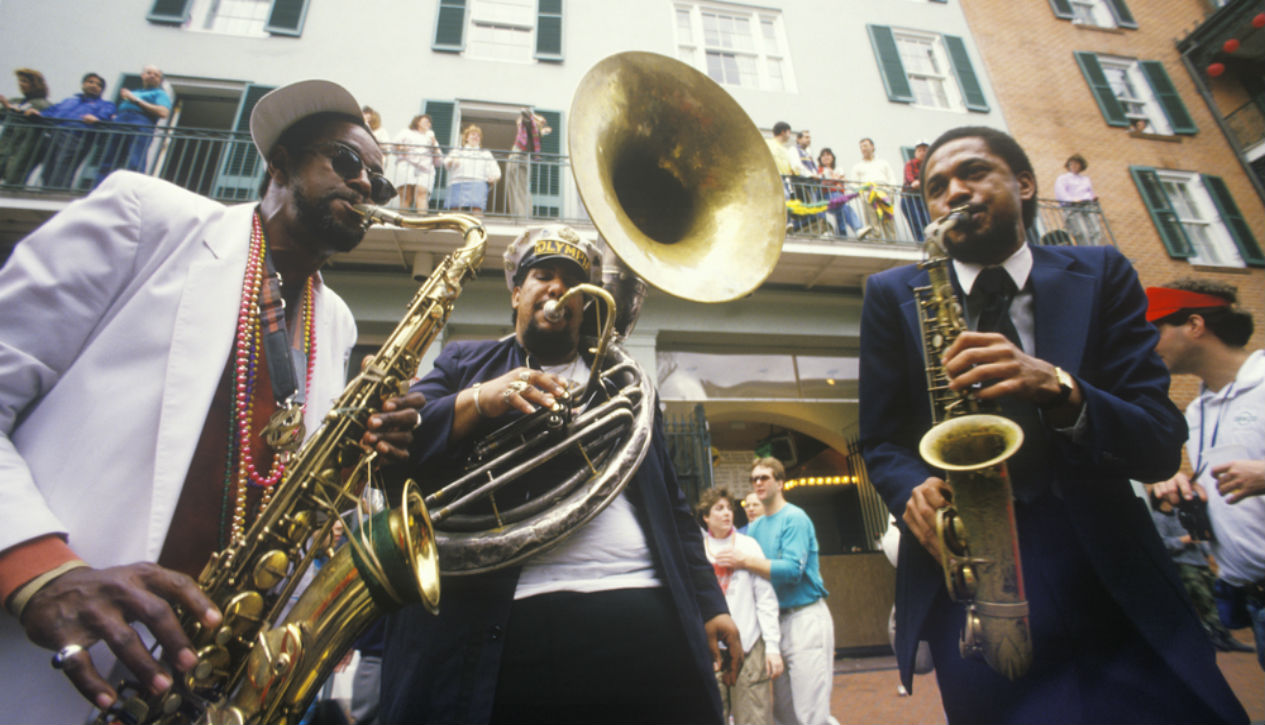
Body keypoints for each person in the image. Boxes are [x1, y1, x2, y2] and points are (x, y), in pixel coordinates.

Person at [0, 79, 424, 725]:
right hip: (51, 651)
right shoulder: (146, 215)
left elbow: (282, 480)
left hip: (202, 677)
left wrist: (355, 457)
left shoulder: (335, 320)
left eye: (380, 181)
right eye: (345, 161)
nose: (366, 184)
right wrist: (35, 570)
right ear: (279, 162)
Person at [858, 125, 1246, 723]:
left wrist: (1060, 387)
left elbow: (1159, 443)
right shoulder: (890, 294)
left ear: (1025, 183)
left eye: (972, 173)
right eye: (935, 188)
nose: (953, 193)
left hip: (1110, 577)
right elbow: (882, 438)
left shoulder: (1104, 271)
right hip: (973, 584)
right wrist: (912, 488)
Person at [378, 225, 741, 724]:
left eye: (572, 281)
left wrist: (710, 603)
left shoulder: (623, 383)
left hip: (642, 602)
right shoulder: (466, 361)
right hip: (515, 613)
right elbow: (402, 446)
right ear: (516, 293)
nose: (558, 288)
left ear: (585, 304)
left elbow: (673, 505)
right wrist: (482, 399)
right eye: (543, 275)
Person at [1149, 279, 1265, 669]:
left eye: (1154, 331)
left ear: (1194, 325)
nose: (1146, 346)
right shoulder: (1198, 409)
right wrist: (1191, 491)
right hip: (1252, 597)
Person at [720, 457, 833, 725]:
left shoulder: (795, 518)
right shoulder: (756, 527)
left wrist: (746, 561)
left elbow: (793, 570)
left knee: (811, 712)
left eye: (764, 478)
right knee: (784, 711)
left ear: (780, 482)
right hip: (774, 623)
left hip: (804, 617)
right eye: (754, 479)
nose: (758, 483)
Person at [698, 487, 783, 725]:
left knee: (754, 717)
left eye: (729, 508)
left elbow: (765, 598)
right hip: (712, 650)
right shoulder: (698, 551)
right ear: (706, 516)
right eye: (719, 508)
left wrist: (772, 647)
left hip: (748, 645)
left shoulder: (748, 546)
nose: (727, 513)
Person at [1147, 490, 1250, 653]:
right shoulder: (1158, 518)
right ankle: (1217, 637)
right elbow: (1162, 545)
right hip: (1184, 565)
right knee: (1204, 601)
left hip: (1200, 562)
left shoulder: (1179, 513)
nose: (1176, 495)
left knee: (1217, 598)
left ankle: (1225, 637)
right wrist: (1183, 540)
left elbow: (1196, 534)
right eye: (1172, 493)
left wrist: (1206, 553)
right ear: (1162, 497)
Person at [28, 72, 116, 188]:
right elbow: (51, 111)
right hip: (54, 134)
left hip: (76, 136)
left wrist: (97, 118)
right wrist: (37, 113)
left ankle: (58, 192)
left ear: (101, 90)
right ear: (83, 84)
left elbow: (105, 116)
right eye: (90, 82)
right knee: (48, 168)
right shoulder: (69, 101)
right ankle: (48, 190)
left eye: (99, 85)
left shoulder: (105, 104)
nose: (94, 85)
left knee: (63, 168)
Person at [92, 65, 172, 186]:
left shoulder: (160, 94)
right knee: (109, 158)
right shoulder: (135, 92)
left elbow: (163, 112)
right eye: (149, 73)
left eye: (156, 75)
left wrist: (135, 100)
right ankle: (100, 188)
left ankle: (133, 189)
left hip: (141, 123)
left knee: (135, 160)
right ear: (142, 75)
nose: (152, 76)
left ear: (160, 80)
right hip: (120, 122)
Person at [0, 67, 51, 185]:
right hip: (6, 145)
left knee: (14, 180)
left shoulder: (42, 104)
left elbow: (34, 118)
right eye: (20, 81)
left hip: (24, 148)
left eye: (24, 81)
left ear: (35, 84)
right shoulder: (16, 100)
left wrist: (9, 108)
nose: (20, 84)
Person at [443, 123, 500, 216]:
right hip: (458, 182)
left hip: (478, 182)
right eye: (473, 134)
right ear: (466, 137)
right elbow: (446, 163)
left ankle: (477, 226)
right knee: (456, 210)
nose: (476, 137)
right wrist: (452, 160)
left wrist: (494, 177)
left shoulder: (485, 153)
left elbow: (495, 170)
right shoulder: (458, 151)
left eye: (478, 135)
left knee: (477, 209)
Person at [506, 108, 550, 218]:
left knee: (518, 189)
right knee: (519, 189)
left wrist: (536, 118)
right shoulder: (533, 132)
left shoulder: (529, 126)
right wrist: (539, 123)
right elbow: (525, 113)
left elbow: (525, 112)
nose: (519, 126)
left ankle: (521, 216)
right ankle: (522, 216)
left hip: (519, 158)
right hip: (522, 159)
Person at [850, 138, 896, 240]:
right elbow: (853, 184)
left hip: (884, 193)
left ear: (872, 147)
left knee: (889, 223)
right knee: (872, 224)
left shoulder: (883, 163)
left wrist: (891, 192)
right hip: (868, 195)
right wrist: (862, 192)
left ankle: (892, 243)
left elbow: (891, 178)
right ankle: (875, 243)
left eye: (865, 146)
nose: (863, 149)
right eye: (861, 147)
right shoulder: (857, 166)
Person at [392, 114, 441, 212]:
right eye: (425, 121)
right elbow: (394, 146)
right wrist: (402, 148)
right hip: (407, 166)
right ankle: (403, 219)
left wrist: (434, 144)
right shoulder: (406, 132)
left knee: (422, 194)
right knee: (406, 195)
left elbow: (438, 160)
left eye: (429, 122)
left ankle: (421, 219)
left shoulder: (430, 136)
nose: (428, 123)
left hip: (425, 169)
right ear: (417, 122)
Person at [1053, 153, 1102, 246]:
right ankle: (1086, 250)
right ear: (1068, 165)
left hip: (1087, 205)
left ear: (1081, 166)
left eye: (1077, 164)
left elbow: (1089, 192)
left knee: (1095, 230)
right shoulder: (1063, 178)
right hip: (1073, 207)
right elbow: (1060, 192)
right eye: (1072, 163)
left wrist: (1093, 198)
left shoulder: (1085, 179)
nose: (1074, 166)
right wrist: (1070, 200)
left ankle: (1095, 249)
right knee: (1081, 232)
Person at [817, 147, 862, 238]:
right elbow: (823, 183)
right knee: (843, 206)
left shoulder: (838, 169)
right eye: (823, 155)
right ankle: (857, 229)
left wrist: (834, 180)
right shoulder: (819, 170)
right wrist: (835, 180)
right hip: (827, 196)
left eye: (828, 155)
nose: (826, 157)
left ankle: (842, 235)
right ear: (820, 159)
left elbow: (843, 180)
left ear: (832, 157)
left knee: (843, 208)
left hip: (838, 195)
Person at [900, 141, 931, 241]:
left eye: (924, 150)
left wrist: (920, 183)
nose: (922, 153)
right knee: (916, 223)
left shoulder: (930, 165)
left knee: (929, 222)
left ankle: (930, 242)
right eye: (919, 150)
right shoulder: (910, 163)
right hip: (910, 198)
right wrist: (917, 182)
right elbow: (910, 179)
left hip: (924, 198)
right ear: (915, 153)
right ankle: (921, 243)